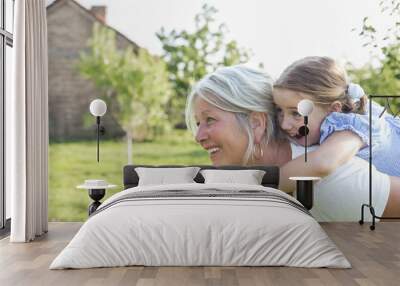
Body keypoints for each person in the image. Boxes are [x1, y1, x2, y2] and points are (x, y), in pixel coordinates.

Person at [185, 65, 400, 220]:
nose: (198, 136)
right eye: (198, 123)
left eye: (210, 120)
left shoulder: (330, 182)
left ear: (256, 123)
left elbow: (323, 164)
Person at [273, 56, 400, 177]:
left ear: (334, 109)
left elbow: (323, 163)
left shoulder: (352, 127)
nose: (284, 125)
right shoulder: (354, 108)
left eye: (296, 113)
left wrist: (265, 185)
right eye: (279, 110)